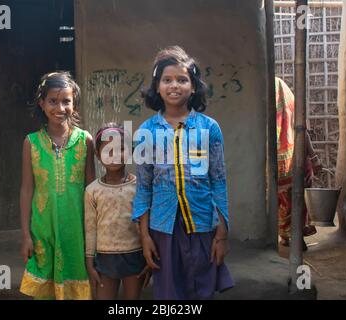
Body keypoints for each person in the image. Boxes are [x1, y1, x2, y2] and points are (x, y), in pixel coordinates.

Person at [132, 46, 234, 300]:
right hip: (163, 228)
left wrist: (221, 234)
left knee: (201, 289)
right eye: (167, 80)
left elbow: (219, 182)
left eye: (182, 79)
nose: (174, 85)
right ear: (157, 86)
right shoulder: (147, 131)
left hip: (201, 225)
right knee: (169, 294)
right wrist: (145, 236)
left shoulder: (209, 128)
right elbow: (143, 187)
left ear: (194, 86)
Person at [19, 71, 95, 299]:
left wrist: (95, 233)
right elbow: (26, 189)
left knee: (77, 281)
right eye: (53, 101)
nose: (60, 108)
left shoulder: (85, 141)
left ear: (74, 103)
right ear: (42, 104)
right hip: (43, 228)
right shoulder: (31, 142)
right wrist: (25, 235)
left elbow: (92, 189)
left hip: (77, 228)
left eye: (66, 101)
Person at [84, 123, 151, 300]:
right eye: (108, 150)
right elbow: (91, 228)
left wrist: (148, 257)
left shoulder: (139, 187)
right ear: (98, 155)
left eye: (121, 149)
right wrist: (90, 262)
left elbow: (147, 225)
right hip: (105, 258)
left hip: (134, 255)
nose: (114, 155)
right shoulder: (92, 190)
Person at [275, 77, 322, 250]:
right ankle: (294, 236)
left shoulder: (265, 108)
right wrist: (314, 157)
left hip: (280, 164)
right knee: (297, 200)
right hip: (297, 161)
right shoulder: (291, 103)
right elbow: (303, 131)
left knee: (283, 201)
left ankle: (290, 236)